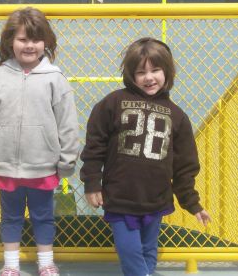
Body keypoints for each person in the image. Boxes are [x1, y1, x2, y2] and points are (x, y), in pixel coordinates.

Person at [80, 37, 211, 276]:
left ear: (167, 72)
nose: (149, 77)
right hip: (120, 197)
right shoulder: (113, 103)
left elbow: (185, 166)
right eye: (141, 72)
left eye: (156, 70)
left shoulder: (177, 115)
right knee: (129, 251)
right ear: (131, 75)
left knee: (149, 249)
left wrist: (192, 203)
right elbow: (94, 146)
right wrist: (92, 183)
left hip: (156, 199)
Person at [0, 7, 79, 276]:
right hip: (6, 165)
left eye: (35, 39)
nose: (29, 45)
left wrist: (66, 162)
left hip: (43, 165)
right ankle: (11, 265)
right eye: (22, 39)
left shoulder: (56, 79)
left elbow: (67, 125)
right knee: (10, 217)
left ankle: (46, 263)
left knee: (43, 216)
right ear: (10, 41)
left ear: (46, 43)